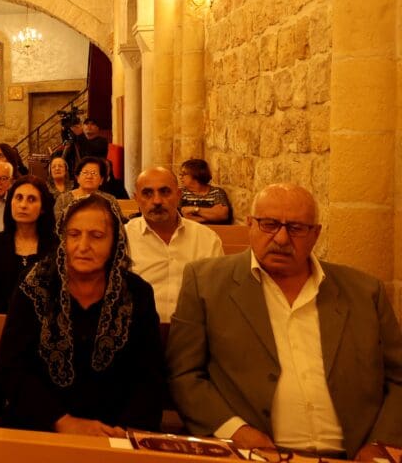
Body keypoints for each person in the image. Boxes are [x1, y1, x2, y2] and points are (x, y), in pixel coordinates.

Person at [167, 183, 402, 459]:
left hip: (354, 452)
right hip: (254, 452)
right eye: (269, 224)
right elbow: (184, 375)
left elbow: (398, 377)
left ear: (316, 234)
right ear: (250, 224)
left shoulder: (364, 291)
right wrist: (236, 431)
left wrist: (381, 444)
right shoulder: (205, 283)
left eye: (296, 228)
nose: (281, 238)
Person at [0, 194, 164, 435]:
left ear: (114, 241)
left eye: (96, 236)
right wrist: (62, 421)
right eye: (74, 235)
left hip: (115, 430)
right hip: (43, 427)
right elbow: (12, 367)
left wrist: (127, 430)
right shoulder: (34, 287)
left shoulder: (136, 294)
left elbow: (149, 373)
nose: (83, 246)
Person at [125, 167, 222, 322]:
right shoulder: (124, 238)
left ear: (178, 195)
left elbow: (217, 293)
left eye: (165, 192)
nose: (157, 201)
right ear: (136, 198)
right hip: (138, 333)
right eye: (147, 193)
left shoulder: (206, 239)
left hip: (193, 332)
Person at [0, 175, 57, 313]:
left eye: (32, 199)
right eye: (18, 198)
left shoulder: (54, 248)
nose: (23, 205)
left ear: (43, 208)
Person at [53, 156, 118, 219]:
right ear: (77, 178)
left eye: (94, 173)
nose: (89, 176)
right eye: (85, 172)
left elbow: (119, 225)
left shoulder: (110, 200)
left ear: (101, 180)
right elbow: (58, 226)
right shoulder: (63, 200)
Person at [177, 158, 232, 224]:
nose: (180, 177)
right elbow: (180, 218)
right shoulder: (181, 193)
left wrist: (194, 209)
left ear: (196, 174)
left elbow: (222, 215)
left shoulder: (217, 192)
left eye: (184, 174)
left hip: (214, 231)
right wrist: (211, 216)